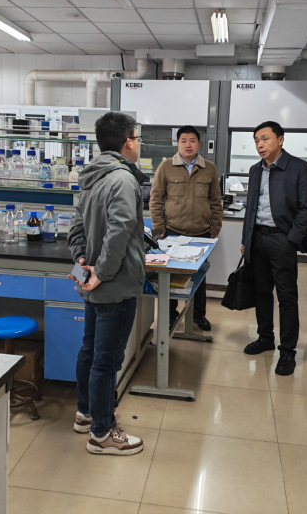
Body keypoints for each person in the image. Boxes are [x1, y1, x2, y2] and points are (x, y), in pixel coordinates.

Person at [67, 112, 146, 456]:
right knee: (106, 361)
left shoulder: (91, 176)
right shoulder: (123, 179)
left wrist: (83, 264)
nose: (138, 144)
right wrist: (103, 271)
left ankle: (85, 413)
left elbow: (76, 229)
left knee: (89, 350)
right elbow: (120, 230)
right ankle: (102, 433)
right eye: (137, 138)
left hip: (93, 283)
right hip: (115, 285)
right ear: (128, 142)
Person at [240, 121, 307, 376]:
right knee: (261, 292)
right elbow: (250, 208)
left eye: (265, 139)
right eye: (256, 141)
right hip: (257, 239)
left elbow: (306, 209)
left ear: (280, 140)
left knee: (286, 296)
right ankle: (265, 337)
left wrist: (291, 239)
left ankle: (287, 351)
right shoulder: (255, 170)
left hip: (282, 240)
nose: (260, 145)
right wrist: (246, 239)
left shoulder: (300, 168)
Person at [149, 125, 222, 331]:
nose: (188, 145)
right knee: (169, 276)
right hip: (172, 231)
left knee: (199, 276)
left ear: (199, 144)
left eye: (192, 140)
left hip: (201, 233)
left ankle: (198, 315)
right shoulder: (166, 167)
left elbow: (215, 201)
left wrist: (215, 227)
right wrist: (159, 228)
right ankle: (170, 315)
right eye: (183, 141)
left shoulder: (209, 168)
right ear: (177, 143)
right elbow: (156, 199)